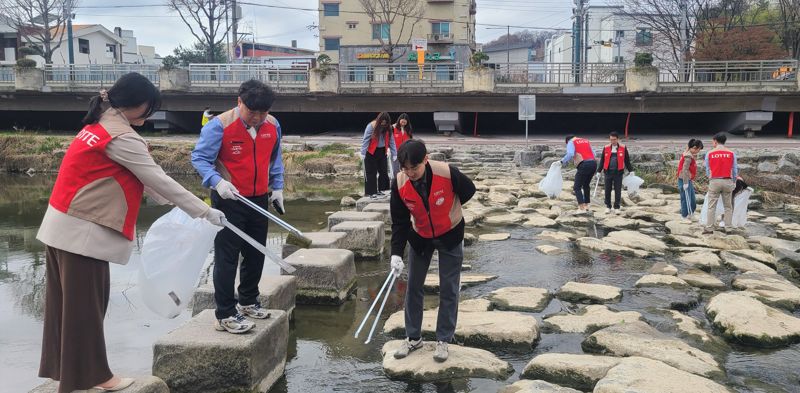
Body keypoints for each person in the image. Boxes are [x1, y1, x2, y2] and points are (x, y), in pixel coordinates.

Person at [36, 73, 225, 393]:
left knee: (65, 308)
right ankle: (95, 377)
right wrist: (204, 211)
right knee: (86, 310)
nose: (147, 116)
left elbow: (146, 181)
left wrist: (179, 205)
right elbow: (159, 178)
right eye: (147, 109)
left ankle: (64, 372)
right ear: (133, 104)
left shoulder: (97, 126)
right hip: (84, 234)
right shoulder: (121, 136)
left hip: (60, 227)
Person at [191, 79, 285, 333]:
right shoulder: (219, 126)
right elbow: (199, 158)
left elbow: (275, 159)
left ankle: (248, 300)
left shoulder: (273, 125)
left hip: (258, 198)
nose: (256, 118)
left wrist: (277, 187)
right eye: (251, 112)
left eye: (262, 113)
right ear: (239, 102)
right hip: (228, 199)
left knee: (256, 252)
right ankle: (225, 313)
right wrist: (216, 181)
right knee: (227, 257)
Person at [389, 139, 476, 363]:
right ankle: (413, 337)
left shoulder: (447, 173)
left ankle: (444, 339)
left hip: (450, 234)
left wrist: (449, 207)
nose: (410, 172)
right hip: (420, 237)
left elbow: (469, 190)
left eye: (414, 168)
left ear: (425, 159)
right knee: (414, 287)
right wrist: (396, 254)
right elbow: (399, 222)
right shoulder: (399, 183)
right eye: (405, 168)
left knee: (448, 288)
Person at [703, 132, 738, 234]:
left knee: (711, 206)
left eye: (712, 141)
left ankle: (709, 228)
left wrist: (710, 178)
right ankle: (728, 228)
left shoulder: (710, 153)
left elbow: (707, 169)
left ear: (715, 141)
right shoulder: (731, 153)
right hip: (727, 180)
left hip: (714, 181)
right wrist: (734, 180)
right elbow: (735, 169)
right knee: (728, 206)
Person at [596, 131, 634, 214]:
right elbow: (602, 160)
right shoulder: (606, 147)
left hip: (618, 172)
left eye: (614, 139)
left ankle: (617, 207)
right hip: (608, 172)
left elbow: (627, 160)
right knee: (607, 190)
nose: (612, 141)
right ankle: (608, 206)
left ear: (618, 139)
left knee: (618, 190)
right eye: (611, 140)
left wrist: (631, 170)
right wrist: (599, 171)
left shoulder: (623, 147)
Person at [360, 112, 397, 198]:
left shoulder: (389, 128)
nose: (383, 124)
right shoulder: (371, 126)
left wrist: (394, 153)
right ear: (379, 120)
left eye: (385, 122)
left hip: (382, 151)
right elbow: (366, 140)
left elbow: (392, 141)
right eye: (382, 122)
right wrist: (363, 153)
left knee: (383, 172)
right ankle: (371, 192)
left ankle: (383, 190)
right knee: (371, 172)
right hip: (371, 152)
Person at [560, 135, 597, 212]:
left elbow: (570, 154)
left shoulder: (571, 142)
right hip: (593, 164)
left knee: (577, 187)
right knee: (586, 185)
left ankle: (581, 207)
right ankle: (587, 205)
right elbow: (594, 154)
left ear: (567, 141)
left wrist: (562, 161)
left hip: (584, 164)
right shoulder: (585, 140)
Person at [677, 139, 703, 221]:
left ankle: (691, 213)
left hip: (688, 180)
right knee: (686, 198)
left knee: (692, 198)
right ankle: (685, 216)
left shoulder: (688, 153)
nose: (698, 152)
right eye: (699, 150)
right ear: (694, 147)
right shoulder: (688, 157)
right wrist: (685, 183)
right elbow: (684, 170)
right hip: (684, 180)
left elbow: (688, 147)